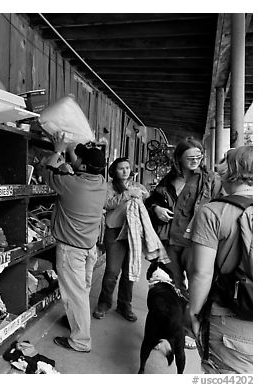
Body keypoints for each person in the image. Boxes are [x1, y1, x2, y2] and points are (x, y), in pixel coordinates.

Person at [145, 137, 222, 348]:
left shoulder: (210, 180)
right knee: (174, 286)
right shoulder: (169, 179)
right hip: (170, 240)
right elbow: (151, 200)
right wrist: (156, 209)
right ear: (179, 158)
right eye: (190, 157)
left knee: (198, 285)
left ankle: (190, 331)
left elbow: (220, 205)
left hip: (197, 241)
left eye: (198, 156)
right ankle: (174, 327)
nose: (195, 160)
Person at [187, 145, 253, 373]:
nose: (218, 167)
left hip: (229, 317)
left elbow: (201, 273)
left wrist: (193, 313)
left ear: (235, 169)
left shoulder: (213, 212)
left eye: (225, 161)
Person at [41, 133, 107, 353]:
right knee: (82, 291)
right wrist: (71, 160)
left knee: (75, 295)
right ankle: (76, 324)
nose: (74, 159)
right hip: (90, 248)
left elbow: (46, 173)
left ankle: (80, 341)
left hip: (72, 251)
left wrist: (58, 150)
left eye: (78, 158)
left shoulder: (70, 184)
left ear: (84, 166)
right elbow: (76, 171)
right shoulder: (101, 183)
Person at [93, 157, 149, 322]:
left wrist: (144, 197)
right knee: (112, 271)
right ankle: (104, 304)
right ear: (114, 171)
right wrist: (126, 194)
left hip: (133, 232)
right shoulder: (109, 187)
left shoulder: (138, 186)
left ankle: (125, 305)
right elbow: (106, 204)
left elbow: (147, 203)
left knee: (129, 271)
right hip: (115, 231)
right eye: (120, 168)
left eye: (127, 168)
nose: (125, 171)